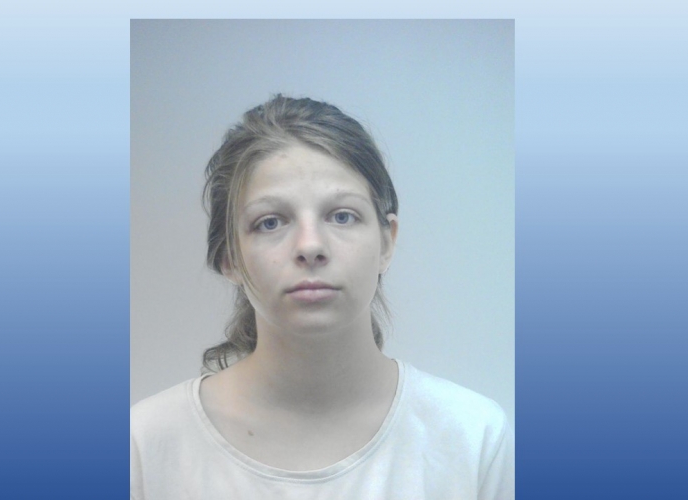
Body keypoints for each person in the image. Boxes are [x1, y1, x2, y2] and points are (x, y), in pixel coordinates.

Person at [130, 95, 514, 499]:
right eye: (270, 222)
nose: (310, 245)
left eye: (342, 215)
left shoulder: (473, 440)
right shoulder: (145, 446)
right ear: (229, 257)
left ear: (387, 242)